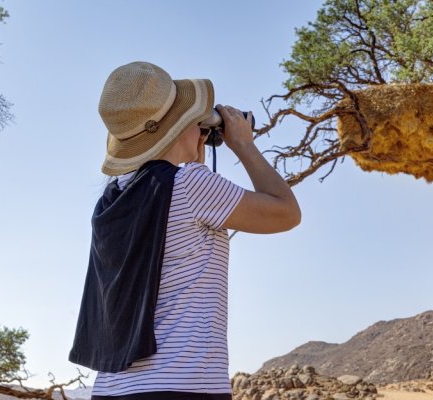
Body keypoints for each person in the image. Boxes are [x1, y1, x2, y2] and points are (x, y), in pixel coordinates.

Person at [68, 61, 301, 400]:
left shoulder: (112, 197)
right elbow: (286, 212)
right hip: (183, 385)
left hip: (112, 388)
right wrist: (242, 144)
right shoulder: (191, 185)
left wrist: (195, 143)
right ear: (180, 126)